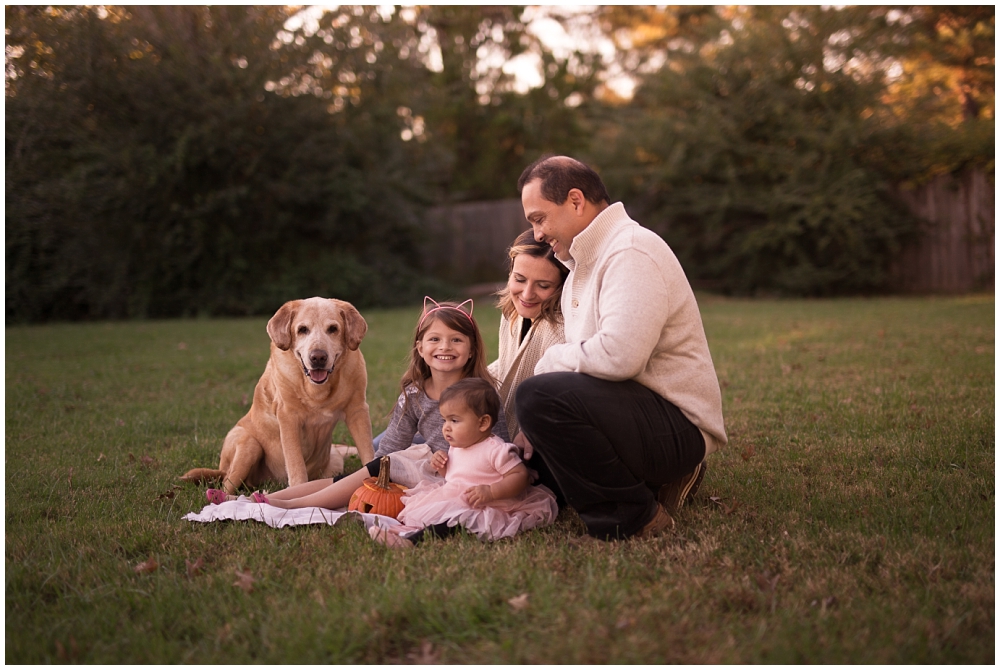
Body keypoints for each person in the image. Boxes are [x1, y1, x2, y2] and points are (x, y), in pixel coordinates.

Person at [513, 155, 728, 541]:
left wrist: (546, 367)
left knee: (538, 395)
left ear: (576, 201)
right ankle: (645, 485)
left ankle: (633, 516)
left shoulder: (631, 250)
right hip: (627, 412)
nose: (538, 233)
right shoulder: (581, 265)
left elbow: (619, 356)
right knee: (532, 464)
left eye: (539, 218)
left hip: (678, 425)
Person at [206, 297, 507, 508]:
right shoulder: (414, 394)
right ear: (420, 348)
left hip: (455, 478)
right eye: (435, 340)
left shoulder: (482, 395)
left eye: (456, 340)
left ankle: (279, 504)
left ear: (471, 351)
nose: (444, 347)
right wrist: (375, 468)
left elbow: (500, 445)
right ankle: (263, 501)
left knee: (355, 479)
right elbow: (391, 446)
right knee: (351, 478)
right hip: (422, 464)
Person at [370, 377, 557, 548]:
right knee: (433, 512)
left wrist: (491, 492)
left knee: (455, 520)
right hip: (458, 496)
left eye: (454, 420)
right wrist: (442, 468)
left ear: (483, 423)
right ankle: (402, 531)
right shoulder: (458, 445)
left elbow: (520, 476)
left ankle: (412, 542)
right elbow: (455, 476)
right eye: (445, 420)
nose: (446, 427)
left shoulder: (496, 449)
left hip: (488, 504)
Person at [488, 229, 568, 441]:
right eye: (520, 279)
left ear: (561, 287)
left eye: (543, 285)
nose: (527, 294)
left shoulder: (558, 331)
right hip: (486, 428)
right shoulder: (511, 314)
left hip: (518, 444)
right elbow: (506, 366)